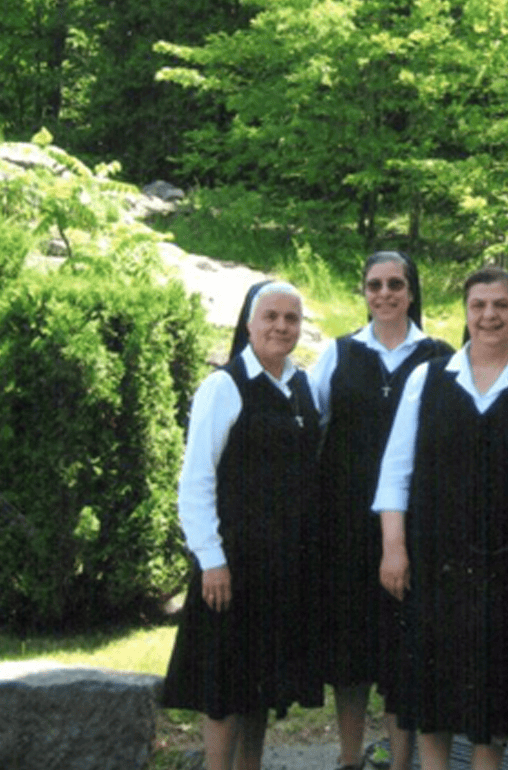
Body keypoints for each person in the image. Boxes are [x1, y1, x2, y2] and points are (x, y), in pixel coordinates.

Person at [373, 265, 508, 770]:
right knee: (432, 699)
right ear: (464, 312)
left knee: (494, 695)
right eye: (478, 306)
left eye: (500, 305)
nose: (489, 316)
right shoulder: (428, 378)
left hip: (507, 567)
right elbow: (395, 470)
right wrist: (393, 548)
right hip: (433, 561)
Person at [161, 280, 323, 770]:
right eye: (270, 316)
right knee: (226, 688)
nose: (281, 326)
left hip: (283, 566)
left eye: (291, 319)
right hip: (232, 566)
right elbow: (195, 481)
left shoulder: (301, 385)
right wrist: (211, 559)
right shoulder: (223, 387)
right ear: (249, 323)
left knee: (261, 687)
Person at [310, 251, 454, 770]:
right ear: (363, 292)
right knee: (349, 654)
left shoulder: (440, 357)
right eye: (375, 285)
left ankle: (399, 762)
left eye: (396, 284)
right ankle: (350, 758)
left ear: (412, 291)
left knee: (403, 652)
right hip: (344, 525)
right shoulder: (338, 354)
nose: (385, 293)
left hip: (416, 526)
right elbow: (308, 421)